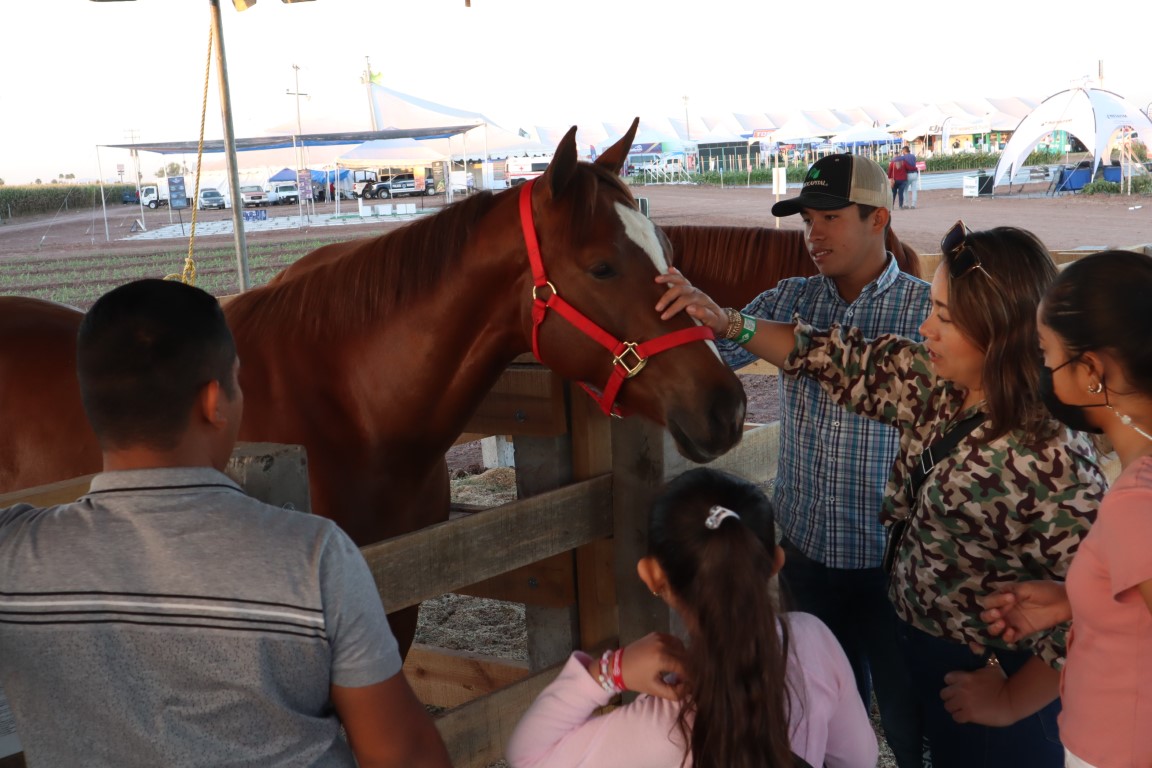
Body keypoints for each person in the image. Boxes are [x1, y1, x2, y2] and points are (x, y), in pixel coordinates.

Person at [655, 222, 1106, 768]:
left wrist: (1012, 701)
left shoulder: (1053, 458)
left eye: (943, 317)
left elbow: (1099, 607)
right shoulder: (936, 387)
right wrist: (726, 319)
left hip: (994, 674)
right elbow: (823, 354)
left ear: (999, 330)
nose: (925, 328)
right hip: (922, 642)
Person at [0, 279, 451, 768]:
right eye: (237, 382)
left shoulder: (14, 553)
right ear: (215, 401)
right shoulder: (315, 556)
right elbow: (403, 754)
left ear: (94, 406)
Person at [697, 153, 931, 768]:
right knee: (822, 714)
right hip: (805, 551)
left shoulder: (925, 312)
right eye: (806, 221)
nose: (813, 234)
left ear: (879, 217)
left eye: (829, 217)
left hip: (893, 564)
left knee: (910, 720)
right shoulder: (791, 297)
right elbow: (711, 350)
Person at [505, 467, 877, 768]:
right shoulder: (814, 640)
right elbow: (860, 759)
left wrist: (609, 671)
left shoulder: (658, 720)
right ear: (774, 564)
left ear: (652, 576)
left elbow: (529, 756)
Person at [981, 250, 1152, 768]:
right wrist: (1077, 599)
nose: (1042, 370)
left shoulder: (1137, 502)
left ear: (1092, 370)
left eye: (1045, 352)